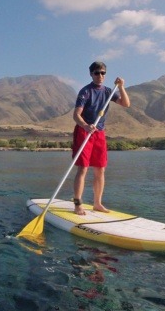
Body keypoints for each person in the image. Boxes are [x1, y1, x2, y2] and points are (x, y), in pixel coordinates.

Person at [72, 61, 130, 215]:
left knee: (100, 169)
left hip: (99, 133)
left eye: (103, 73)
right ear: (91, 74)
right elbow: (76, 115)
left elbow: (126, 103)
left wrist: (122, 86)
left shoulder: (108, 92)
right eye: (97, 73)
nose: (100, 75)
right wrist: (85, 126)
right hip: (84, 132)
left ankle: (97, 203)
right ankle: (78, 204)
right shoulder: (85, 91)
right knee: (83, 169)